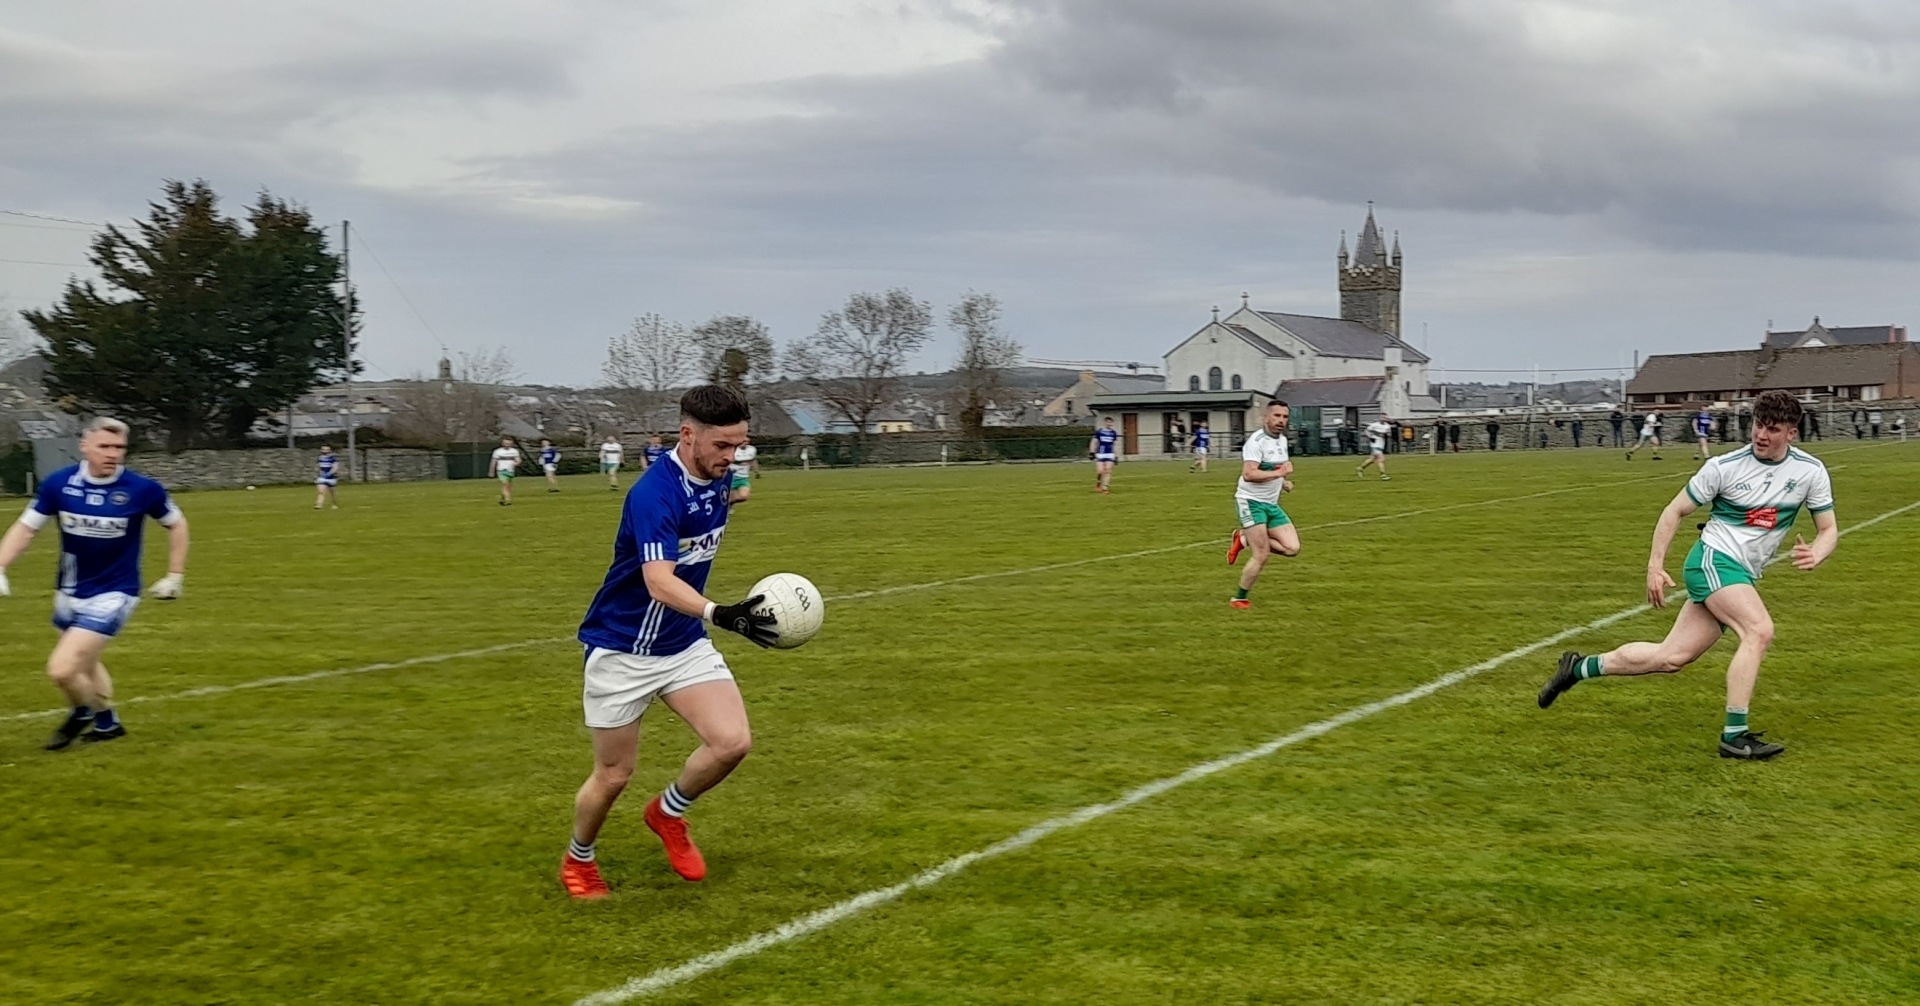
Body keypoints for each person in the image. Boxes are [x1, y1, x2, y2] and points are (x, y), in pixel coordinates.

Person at [561, 386, 779, 899]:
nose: (733, 457)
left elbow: (730, 493)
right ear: (687, 435)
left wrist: (735, 482)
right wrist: (720, 613)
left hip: (681, 643)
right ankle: (579, 858)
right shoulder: (654, 494)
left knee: (732, 742)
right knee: (614, 775)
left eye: (741, 445)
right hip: (622, 648)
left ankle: (667, 813)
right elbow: (659, 581)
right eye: (723, 446)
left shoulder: (722, 477)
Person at [1537, 391, 1836, 760]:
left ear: (1791, 433)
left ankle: (1578, 668)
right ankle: (1734, 735)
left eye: (1772, 429)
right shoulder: (1724, 468)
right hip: (1713, 561)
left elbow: (1828, 528)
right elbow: (1674, 510)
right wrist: (1655, 566)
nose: (1761, 434)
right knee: (1759, 630)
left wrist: (1818, 552)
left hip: (1740, 573)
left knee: (1671, 657)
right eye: (1759, 425)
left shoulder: (1810, 471)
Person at [0, 417, 189, 750]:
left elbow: (177, 524)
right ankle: (107, 724)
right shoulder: (59, 484)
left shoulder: (142, 489)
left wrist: (175, 575)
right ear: (84, 447)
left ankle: (82, 711)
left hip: (115, 592)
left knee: (62, 669)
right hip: (69, 590)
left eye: (119, 447)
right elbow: (26, 528)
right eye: (104, 446)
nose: (113, 453)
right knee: (85, 663)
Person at [1225, 400, 1298, 609]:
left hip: (1271, 504)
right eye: (1277, 416)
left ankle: (1243, 538)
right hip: (1251, 503)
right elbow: (1249, 474)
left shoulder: (1282, 440)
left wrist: (1283, 482)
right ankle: (1239, 598)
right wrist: (1279, 473)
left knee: (1292, 548)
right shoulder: (1256, 442)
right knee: (1262, 554)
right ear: (1266, 418)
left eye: (1284, 417)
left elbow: (1274, 469)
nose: (1281, 420)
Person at [489, 437, 525, 506]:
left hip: (510, 471)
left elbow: (518, 460)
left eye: (509, 444)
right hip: (501, 470)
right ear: (502, 443)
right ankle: (508, 500)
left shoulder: (514, 451)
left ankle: (502, 499)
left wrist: (517, 463)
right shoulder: (497, 451)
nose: (507, 445)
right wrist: (491, 471)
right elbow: (493, 462)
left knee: (508, 487)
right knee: (505, 484)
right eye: (506, 443)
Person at [1089, 417, 1119, 494]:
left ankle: (1105, 488)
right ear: (1105, 423)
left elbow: (1115, 444)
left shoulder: (1113, 433)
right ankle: (1098, 482)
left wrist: (1116, 456)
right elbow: (1094, 442)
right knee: (1100, 471)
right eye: (1108, 422)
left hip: (1110, 454)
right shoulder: (1099, 432)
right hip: (1100, 453)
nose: (1109, 424)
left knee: (1108, 470)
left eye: (1111, 422)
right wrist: (1092, 452)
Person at [1357, 416, 1392, 480]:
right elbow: (1366, 431)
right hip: (1375, 443)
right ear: (1380, 418)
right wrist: (1370, 437)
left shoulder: (1387, 426)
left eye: (1385, 418)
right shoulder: (1374, 425)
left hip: (1381, 444)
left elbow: (1388, 434)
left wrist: (1387, 435)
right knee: (1381, 459)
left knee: (1372, 460)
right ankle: (1383, 475)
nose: (1384, 419)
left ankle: (1361, 468)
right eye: (1382, 417)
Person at [314, 445, 340, 510]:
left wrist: (329, 473)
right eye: (324, 449)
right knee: (321, 491)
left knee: (332, 493)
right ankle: (319, 505)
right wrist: (319, 473)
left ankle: (334, 503)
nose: (325, 451)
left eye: (327, 450)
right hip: (322, 478)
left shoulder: (333, 459)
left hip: (331, 478)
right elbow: (318, 467)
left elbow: (335, 467)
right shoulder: (320, 458)